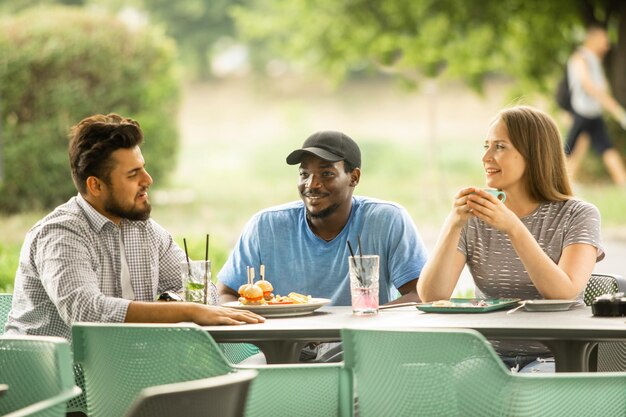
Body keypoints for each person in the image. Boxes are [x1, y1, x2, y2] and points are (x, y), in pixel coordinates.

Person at [4, 113, 264, 340]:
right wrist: (186, 310)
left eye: (144, 169)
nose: (148, 180)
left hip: (121, 372)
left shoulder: (146, 231)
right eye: (132, 174)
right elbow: (85, 310)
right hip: (53, 380)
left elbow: (199, 291)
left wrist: (177, 304)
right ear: (95, 186)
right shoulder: (62, 234)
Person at [417, 106, 604, 372]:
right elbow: (432, 295)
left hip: (556, 358)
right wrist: (454, 223)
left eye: (500, 147)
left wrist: (514, 229)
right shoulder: (476, 216)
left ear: (533, 154)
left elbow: (563, 292)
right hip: (487, 358)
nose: (486, 157)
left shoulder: (578, 214)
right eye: (486, 146)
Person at [218, 130, 428, 361]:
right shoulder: (265, 225)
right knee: (241, 383)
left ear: (354, 177)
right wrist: (262, 327)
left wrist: (363, 315)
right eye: (304, 174)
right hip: (281, 352)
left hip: (360, 348)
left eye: (326, 173)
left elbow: (420, 294)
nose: (312, 184)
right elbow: (226, 294)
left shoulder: (386, 219)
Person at [564, 22, 626, 187]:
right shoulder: (580, 58)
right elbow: (588, 85)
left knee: (605, 147)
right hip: (582, 112)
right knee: (570, 150)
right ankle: (558, 184)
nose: (607, 45)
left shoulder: (595, 60)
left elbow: (602, 87)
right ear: (594, 39)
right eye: (604, 41)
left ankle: (623, 183)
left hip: (593, 113)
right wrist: (615, 109)